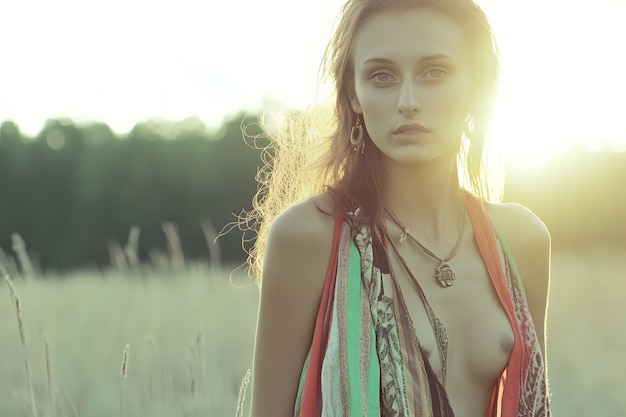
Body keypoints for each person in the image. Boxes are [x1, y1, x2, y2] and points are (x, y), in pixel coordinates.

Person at [245, 0, 551, 416]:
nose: (408, 101)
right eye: (382, 76)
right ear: (354, 94)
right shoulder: (306, 237)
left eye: (434, 73)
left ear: (476, 87)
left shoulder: (521, 239)